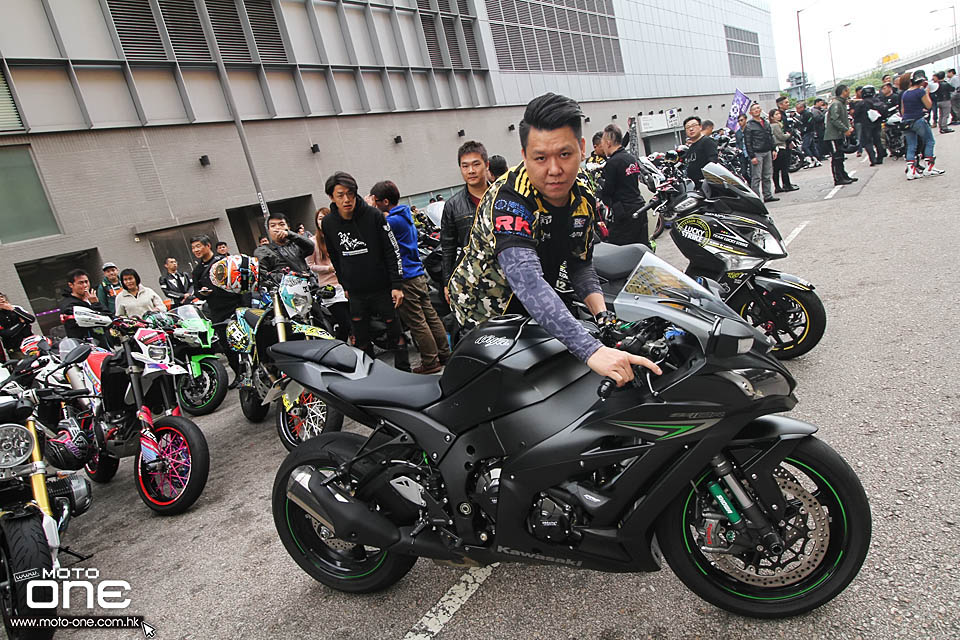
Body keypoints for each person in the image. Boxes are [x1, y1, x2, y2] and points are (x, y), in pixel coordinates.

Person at [447, 92, 661, 387]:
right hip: (485, 313)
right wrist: (591, 349)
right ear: (524, 156)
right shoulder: (509, 197)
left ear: (582, 148)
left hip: (536, 305)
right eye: (540, 158)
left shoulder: (583, 193)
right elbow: (527, 281)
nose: (555, 170)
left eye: (564, 154)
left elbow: (580, 264)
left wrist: (603, 317)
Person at [321, 171, 410, 371]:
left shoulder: (374, 215)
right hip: (355, 292)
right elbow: (335, 256)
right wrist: (344, 284)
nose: (346, 200)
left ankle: (405, 372)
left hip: (382, 288)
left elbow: (392, 250)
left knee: (397, 334)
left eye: (350, 194)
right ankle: (369, 377)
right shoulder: (329, 223)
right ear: (331, 198)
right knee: (361, 339)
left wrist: (396, 285)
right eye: (340, 195)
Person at [371, 180, 451, 374]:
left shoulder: (392, 221)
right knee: (430, 316)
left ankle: (430, 362)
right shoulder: (405, 215)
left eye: (376, 201)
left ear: (385, 201)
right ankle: (444, 353)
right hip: (417, 273)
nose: (374, 204)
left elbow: (372, 230)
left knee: (417, 322)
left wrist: (367, 208)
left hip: (405, 276)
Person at [191, 235, 243, 387]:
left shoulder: (224, 262)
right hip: (217, 312)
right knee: (227, 346)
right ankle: (239, 375)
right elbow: (196, 291)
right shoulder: (197, 271)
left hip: (235, 306)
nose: (196, 250)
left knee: (243, 341)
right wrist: (202, 293)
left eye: (198, 246)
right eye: (193, 248)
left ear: (208, 246)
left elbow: (240, 283)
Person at [441, 141, 490, 299]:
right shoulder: (452, 206)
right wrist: (447, 283)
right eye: (465, 166)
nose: (471, 171)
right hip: (472, 279)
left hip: (506, 274)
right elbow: (447, 248)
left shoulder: (502, 197)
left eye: (476, 164)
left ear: (486, 165)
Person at [599, 123, 648, 246]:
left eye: (603, 143)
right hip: (640, 208)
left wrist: (600, 190)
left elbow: (608, 191)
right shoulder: (630, 158)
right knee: (642, 247)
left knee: (619, 249)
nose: (603, 147)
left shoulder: (612, 163)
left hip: (624, 214)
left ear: (609, 142)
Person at [307, 208, 350, 342]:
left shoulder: (340, 237)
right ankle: (339, 346)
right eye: (320, 218)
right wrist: (328, 268)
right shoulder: (312, 242)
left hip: (347, 285)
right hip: (329, 289)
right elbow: (310, 265)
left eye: (326, 217)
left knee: (356, 322)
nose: (323, 221)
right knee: (345, 324)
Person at [901, 70, 946, 179]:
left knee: (911, 145)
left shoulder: (905, 93)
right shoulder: (920, 92)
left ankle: (911, 171)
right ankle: (929, 168)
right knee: (929, 141)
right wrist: (926, 93)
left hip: (906, 121)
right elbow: (929, 105)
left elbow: (903, 110)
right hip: (918, 120)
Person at [59, 270, 109, 346]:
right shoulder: (68, 304)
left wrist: (95, 303)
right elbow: (94, 319)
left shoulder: (93, 298)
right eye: (80, 283)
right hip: (84, 346)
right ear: (71, 285)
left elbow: (108, 317)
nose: (85, 285)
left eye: (86, 282)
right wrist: (95, 304)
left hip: (103, 341)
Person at [743, 103, 778, 202]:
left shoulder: (765, 122)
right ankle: (756, 199)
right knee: (756, 177)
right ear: (751, 112)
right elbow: (747, 142)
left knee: (767, 175)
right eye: (754, 109)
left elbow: (770, 136)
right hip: (757, 153)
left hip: (767, 151)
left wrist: (774, 149)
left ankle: (768, 195)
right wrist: (752, 156)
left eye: (758, 108)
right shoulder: (749, 126)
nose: (757, 110)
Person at [825, 85, 857, 186]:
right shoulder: (836, 104)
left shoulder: (841, 103)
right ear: (844, 91)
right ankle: (838, 178)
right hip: (832, 136)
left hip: (838, 135)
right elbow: (835, 120)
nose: (849, 92)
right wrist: (845, 129)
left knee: (840, 156)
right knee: (836, 158)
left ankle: (843, 175)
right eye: (848, 90)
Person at [683, 116, 718, 188]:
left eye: (694, 125)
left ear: (700, 127)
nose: (691, 129)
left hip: (707, 186)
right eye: (688, 127)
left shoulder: (707, 141)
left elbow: (713, 161)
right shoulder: (691, 148)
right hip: (696, 187)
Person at [769, 110, 798, 193]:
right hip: (780, 147)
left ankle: (778, 186)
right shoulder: (775, 125)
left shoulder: (773, 125)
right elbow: (781, 137)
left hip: (777, 148)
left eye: (779, 114)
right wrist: (789, 134)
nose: (779, 116)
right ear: (772, 117)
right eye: (776, 114)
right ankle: (786, 185)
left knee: (776, 169)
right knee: (783, 168)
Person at [0, 292, 35, 359]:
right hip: (15, 348)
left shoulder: (16, 308)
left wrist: (12, 309)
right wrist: (21, 323)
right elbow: (6, 333)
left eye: (2, 297)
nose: (1, 299)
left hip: (29, 342)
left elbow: (31, 319)